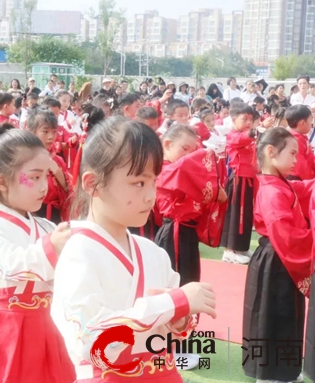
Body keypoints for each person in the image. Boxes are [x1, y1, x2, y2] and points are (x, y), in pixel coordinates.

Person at [51, 118, 216, 382]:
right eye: (139, 183)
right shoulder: (78, 253)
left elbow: (172, 329)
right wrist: (171, 303)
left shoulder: (152, 252)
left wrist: (179, 319)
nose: (151, 195)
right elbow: (91, 341)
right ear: (92, 183)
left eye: (153, 181)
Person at [0, 126, 75, 383]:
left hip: (50, 328)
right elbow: (14, 265)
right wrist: (53, 247)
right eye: (33, 178)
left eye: (45, 177)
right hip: (9, 332)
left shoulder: (45, 227)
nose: (43, 187)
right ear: (1, 181)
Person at [243, 128, 312, 383]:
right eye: (292, 153)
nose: (296, 160)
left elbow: (304, 188)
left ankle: (282, 370)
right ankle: (271, 374)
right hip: (277, 258)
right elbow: (287, 235)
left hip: (277, 257)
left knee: (282, 314)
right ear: (271, 152)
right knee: (274, 314)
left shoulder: (278, 183)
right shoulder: (273, 191)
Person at [155, 124, 227, 287]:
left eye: (193, 151)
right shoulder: (163, 170)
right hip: (173, 232)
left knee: (190, 282)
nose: (189, 155)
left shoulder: (184, 172)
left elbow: (219, 195)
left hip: (187, 233)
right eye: (185, 148)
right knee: (175, 285)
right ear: (167, 145)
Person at [220, 104, 257, 264]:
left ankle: (241, 247)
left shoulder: (247, 135)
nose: (249, 122)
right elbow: (239, 140)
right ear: (234, 119)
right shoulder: (233, 135)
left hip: (249, 178)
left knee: (246, 214)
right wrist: (254, 132)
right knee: (236, 214)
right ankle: (230, 250)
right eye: (245, 119)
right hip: (238, 178)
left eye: (251, 119)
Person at [27, 108, 71, 223]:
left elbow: (68, 188)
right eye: (45, 132)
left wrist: (56, 171)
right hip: (32, 211)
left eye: (54, 132)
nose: (51, 136)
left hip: (54, 213)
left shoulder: (57, 159)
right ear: (31, 131)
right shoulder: (24, 159)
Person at [285, 105, 315, 181]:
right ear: (302, 123)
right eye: (311, 120)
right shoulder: (294, 140)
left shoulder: (301, 137)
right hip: (298, 179)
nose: (312, 124)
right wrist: (312, 179)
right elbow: (301, 166)